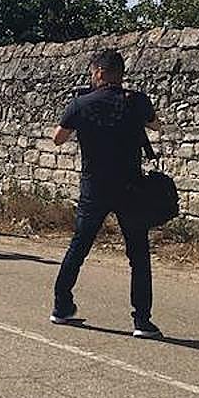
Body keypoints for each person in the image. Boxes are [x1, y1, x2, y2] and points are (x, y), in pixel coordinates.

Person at [50, 49, 163, 339]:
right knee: (138, 254)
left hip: (94, 186)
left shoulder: (81, 103)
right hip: (130, 186)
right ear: (120, 73)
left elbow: (58, 139)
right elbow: (156, 125)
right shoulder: (136, 101)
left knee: (79, 246)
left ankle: (62, 306)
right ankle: (142, 320)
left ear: (99, 72)